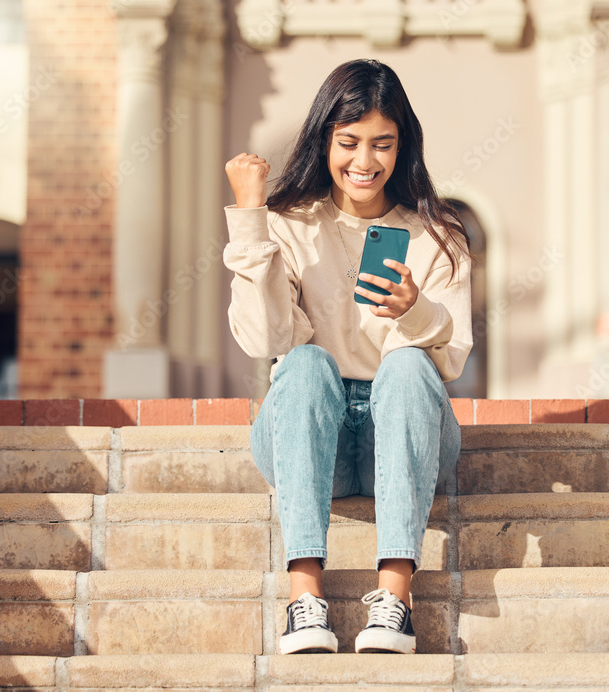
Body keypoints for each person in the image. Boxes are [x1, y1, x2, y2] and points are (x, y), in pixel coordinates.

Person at [223, 58, 472, 655]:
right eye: (350, 142)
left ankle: (395, 599)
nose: (365, 161)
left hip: (405, 431)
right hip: (313, 432)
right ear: (324, 140)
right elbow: (266, 340)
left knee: (410, 363)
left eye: (382, 144)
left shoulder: (436, 235)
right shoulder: (288, 225)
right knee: (305, 362)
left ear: (402, 147)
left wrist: (413, 310)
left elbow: (453, 355)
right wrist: (252, 220)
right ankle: (304, 598)